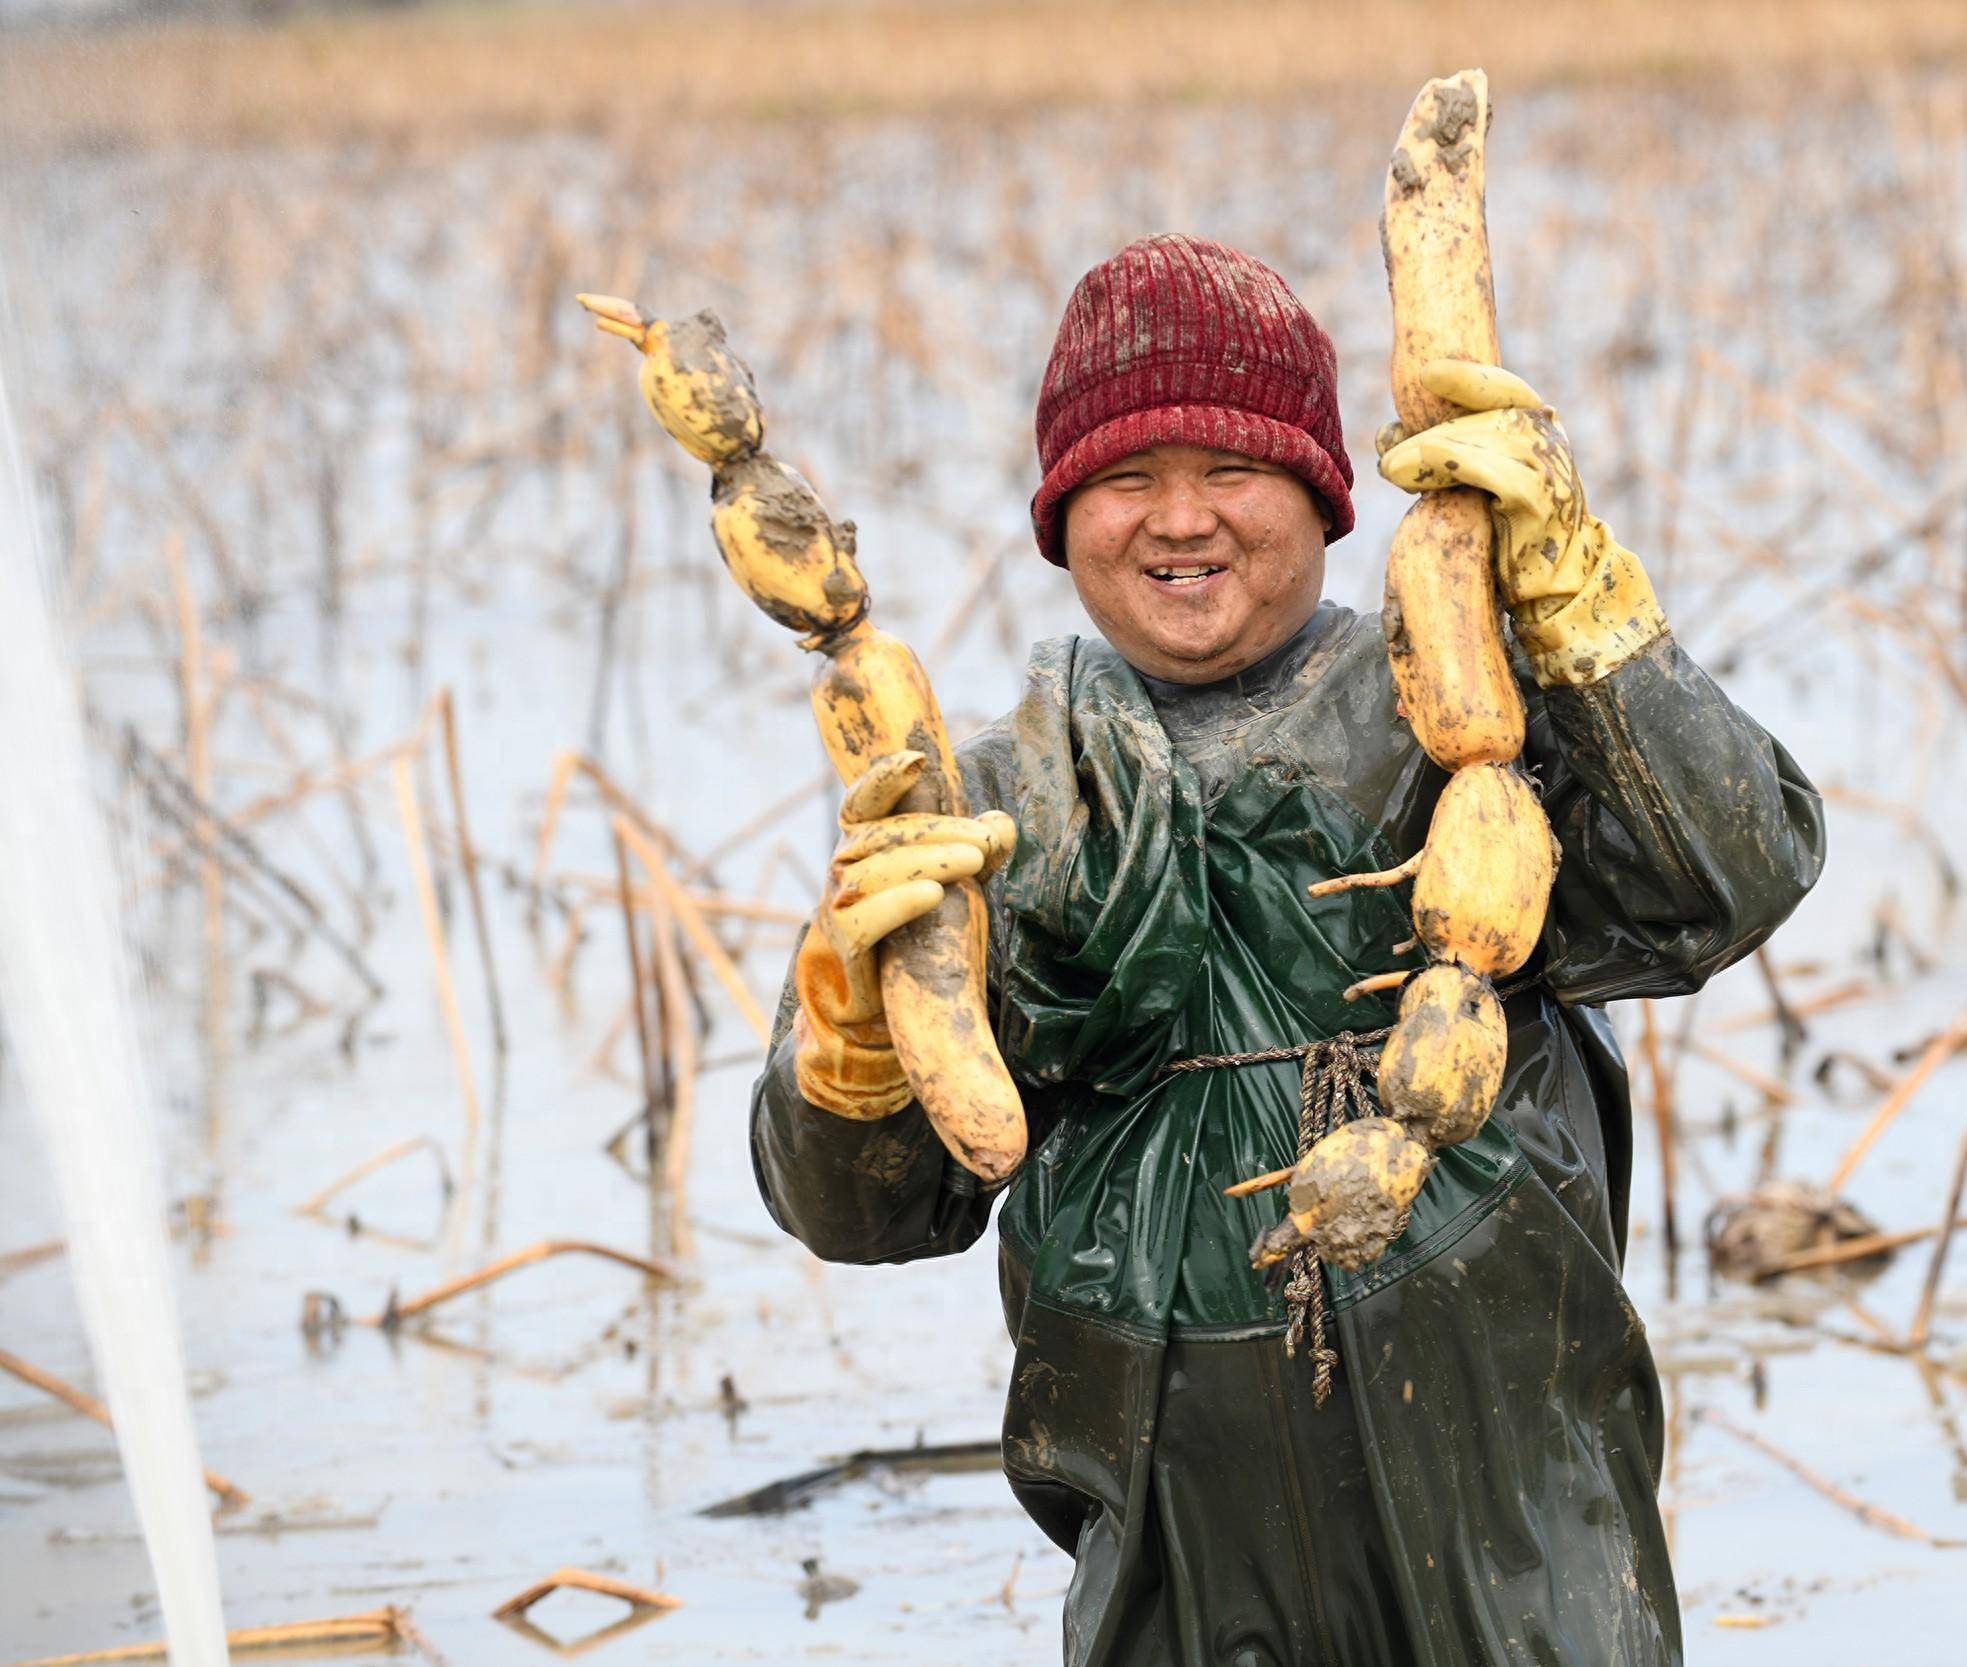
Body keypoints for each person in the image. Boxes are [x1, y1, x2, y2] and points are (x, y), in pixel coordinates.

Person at [750, 232, 1824, 1667]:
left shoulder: (1467, 722)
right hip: (1166, 1530)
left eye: (1232, 472)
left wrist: (1581, 603)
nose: (1178, 519)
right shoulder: (987, 808)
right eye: (1126, 478)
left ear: (1323, 501)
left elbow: (1729, 880)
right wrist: (856, 1030)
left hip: (1514, 1509)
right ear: (1061, 516)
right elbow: (867, 1214)